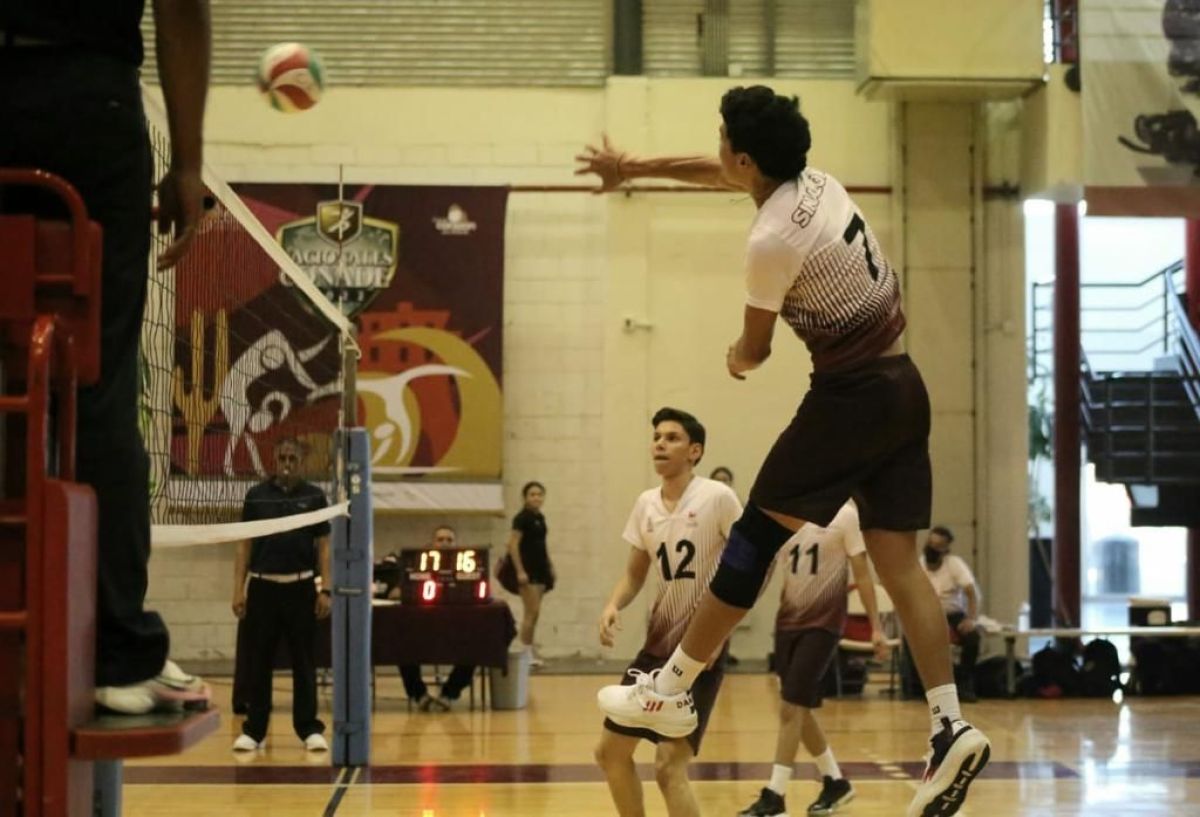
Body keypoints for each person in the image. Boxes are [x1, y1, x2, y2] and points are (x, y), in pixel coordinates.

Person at [577, 85, 990, 817]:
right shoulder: (818, 183)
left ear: (745, 158)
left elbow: (756, 349)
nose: (717, 152)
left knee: (754, 538)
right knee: (901, 564)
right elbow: (721, 174)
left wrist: (735, 358)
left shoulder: (769, 241)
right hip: (905, 387)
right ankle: (949, 724)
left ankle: (670, 688)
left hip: (850, 397)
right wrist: (634, 166)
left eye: (723, 142)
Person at [0, 0, 212, 714]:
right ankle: (118, 656)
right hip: (87, 105)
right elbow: (183, 8)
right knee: (100, 380)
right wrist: (188, 164)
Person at [595, 408, 742, 817]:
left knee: (668, 767)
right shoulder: (645, 504)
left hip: (697, 649)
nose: (660, 444)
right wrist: (613, 604)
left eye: (672, 438)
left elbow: (752, 568)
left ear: (695, 451)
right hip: (656, 648)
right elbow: (634, 574)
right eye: (657, 437)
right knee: (609, 752)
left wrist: (720, 633)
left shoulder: (717, 497)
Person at [738, 501, 888, 817]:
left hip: (823, 623)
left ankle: (775, 795)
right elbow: (768, 570)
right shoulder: (786, 513)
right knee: (797, 707)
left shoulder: (844, 515)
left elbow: (862, 574)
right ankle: (835, 781)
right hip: (788, 621)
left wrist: (876, 627)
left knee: (791, 707)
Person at [232, 436, 332, 752]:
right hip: (263, 587)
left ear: (301, 462)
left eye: (293, 458)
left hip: (300, 587)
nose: (287, 463)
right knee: (259, 661)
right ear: (274, 461)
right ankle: (255, 731)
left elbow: (324, 547)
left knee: (304, 661)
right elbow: (244, 544)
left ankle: (308, 728)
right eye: (282, 458)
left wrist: (325, 589)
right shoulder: (256, 496)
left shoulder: (315, 496)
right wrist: (238, 589)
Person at [397, 524, 477, 711]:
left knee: (476, 646)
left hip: (456, 631)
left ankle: (449, 693)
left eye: (449, 540)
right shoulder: (416, 566)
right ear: (432, 544)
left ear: (456, 544)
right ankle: (419, 695)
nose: (445, 543)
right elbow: (398, 591)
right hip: (421, 630)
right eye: (440, 540)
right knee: (402, 645)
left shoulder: (467, 568)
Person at [918, 526, 981, 702]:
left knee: (973, 638)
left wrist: (971, 619)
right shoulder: (919, 565)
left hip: (953, 613)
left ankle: (964, 683)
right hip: (928, 615)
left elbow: (972, 593)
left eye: (937, 545)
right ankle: (921, 687)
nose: (932, 548)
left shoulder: (954, 564)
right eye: (931, 543)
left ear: (945, 549)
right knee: (913, 639)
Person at [505, 480, 554, 666]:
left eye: (539, 495)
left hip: (541, 570)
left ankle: (529, 649)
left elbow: (542, 545)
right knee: (530, 613)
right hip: (528, 571)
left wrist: (550, 566)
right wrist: (520, 571)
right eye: (532, 495)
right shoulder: (521, 518)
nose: (536, 498)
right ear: (525, 498)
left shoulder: (540, 517)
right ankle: (524, 654)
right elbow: (513, 545)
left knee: (536, 613)